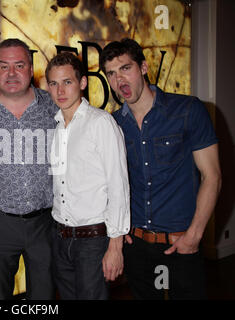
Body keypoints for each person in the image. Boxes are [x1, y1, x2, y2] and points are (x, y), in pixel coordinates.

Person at [100, 38, 222, 299]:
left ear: (143, 67)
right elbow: (110, 183)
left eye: (125, 68)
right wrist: (119, 232)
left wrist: (194, 235)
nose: (119, 79)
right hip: (137, 246)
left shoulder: (188, 110)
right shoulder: (113, 125)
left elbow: (212, 176)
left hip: (181, 242)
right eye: (111, 73)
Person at [0, 38, 58, 299]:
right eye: (4, 66)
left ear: (31, 69)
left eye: (19, 65)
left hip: (45, 221)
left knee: (43, 297)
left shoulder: (54, 105)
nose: (11, 74)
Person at [45, 52, 130, 299]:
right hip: (60, 236)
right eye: (53, 83)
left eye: (67, 82)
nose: (60, 90)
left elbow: (119, 184)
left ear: (82, 83)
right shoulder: (57, 126)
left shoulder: (101, 123)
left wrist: (116, 245)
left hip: (92, 240)